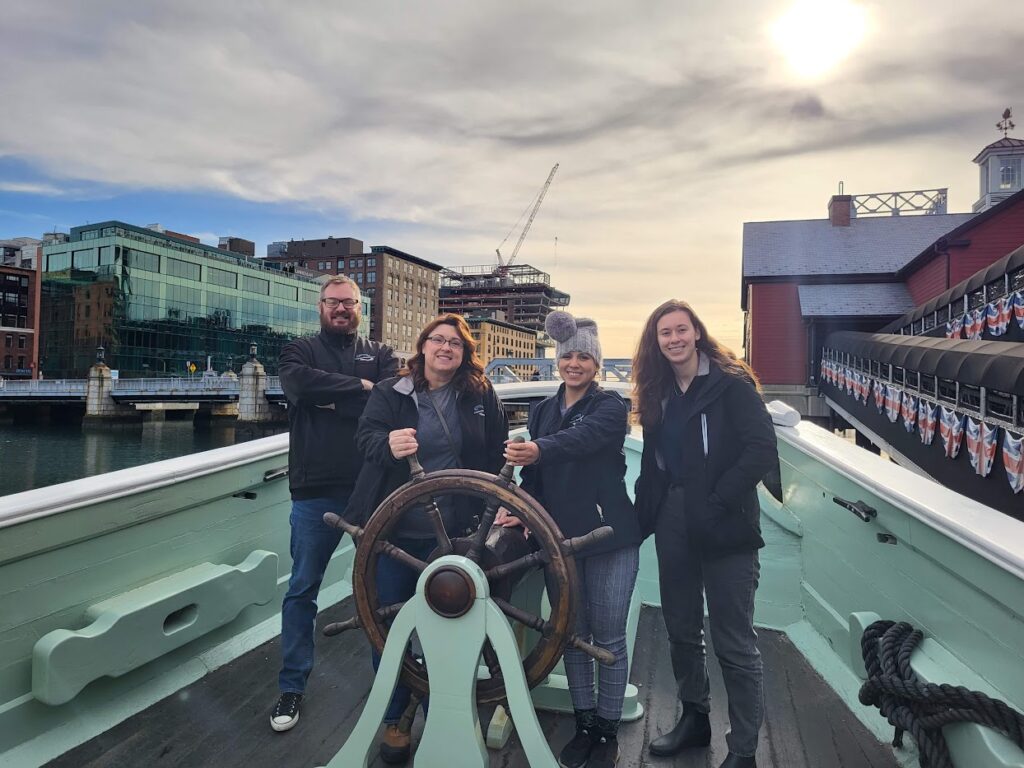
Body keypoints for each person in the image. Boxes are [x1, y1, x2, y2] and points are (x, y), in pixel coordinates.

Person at [347, 313, 509, 764]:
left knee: (456, 623)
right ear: (422, 348)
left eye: (455, 344)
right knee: (387, 626)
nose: (445, 348)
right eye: (437, 340)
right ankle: (396, 717)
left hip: (458, 535)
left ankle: (447, 710)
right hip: (395, 531)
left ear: (464, 354)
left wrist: (507, 505)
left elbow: (498, 453)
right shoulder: (390, 392)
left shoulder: (480, 394)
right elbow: (365, 439)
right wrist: (388, 444)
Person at [632, 300, 777, 768]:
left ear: (697, 333)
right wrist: (640, 518)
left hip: (726, 520)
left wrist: (718, 501)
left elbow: (760, 449)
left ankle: (744, 749)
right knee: (680, 628)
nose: (673, 339)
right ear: (656, 343)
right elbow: (653, 467)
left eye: (680, 330)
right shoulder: (658, 392)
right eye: (664, 333)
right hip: (675, 519)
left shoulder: (730, 386)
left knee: (733, 639)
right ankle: (695, 718)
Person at [500, 310, 641, 768]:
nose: (574, 364)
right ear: (558, 359)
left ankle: (607, 730)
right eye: (568, 356)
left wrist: (539, 448)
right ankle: (585, 724)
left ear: (596, 364)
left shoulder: (610, 406)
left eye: (584, 357)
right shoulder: (542, 409)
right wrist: (517, 507)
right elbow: (536, 477)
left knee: (609, 636)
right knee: (572, 633)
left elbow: (584, 441)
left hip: (609, 537)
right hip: (559, 540)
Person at [270, 275, 397, 733]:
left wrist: (338, 397)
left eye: (350, 302)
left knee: (384, 591)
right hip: (314, 488)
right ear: (320, 306)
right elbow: (300, 387)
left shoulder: (381, 355)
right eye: (333, 302)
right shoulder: (297, 351)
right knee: (303, 588)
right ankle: (292, 686)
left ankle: (390, 689)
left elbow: (391, 399)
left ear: (360, 307)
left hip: (373, 485)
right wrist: (361, 391)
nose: (341, 309)